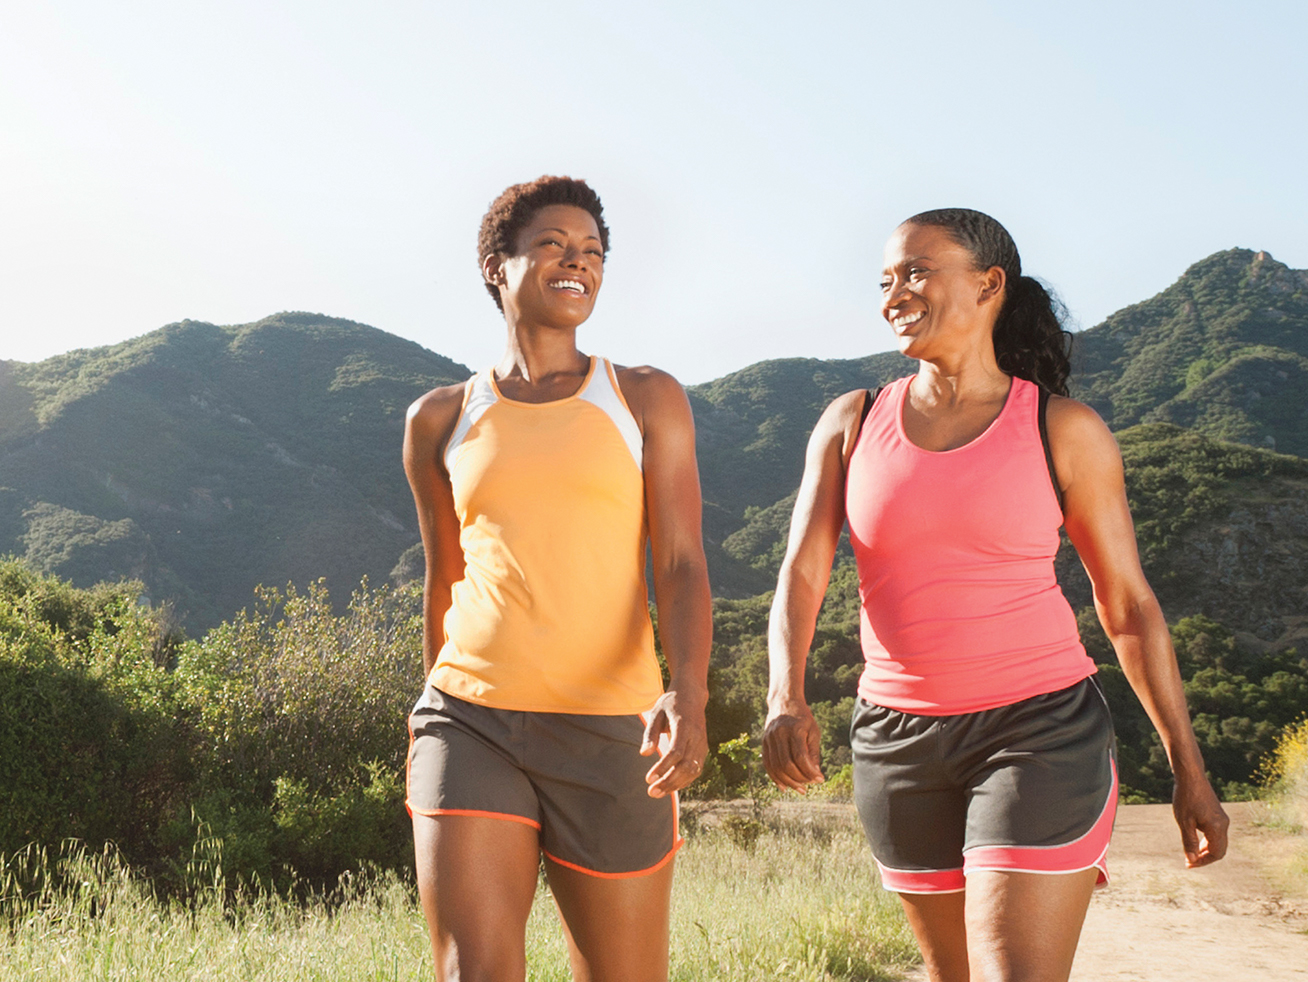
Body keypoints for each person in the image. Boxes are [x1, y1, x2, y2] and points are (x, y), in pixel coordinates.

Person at [762, 208, 1229, 982]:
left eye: (917, 271)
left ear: (989, 285)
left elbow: (1128, 607)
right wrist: (786, 692)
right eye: (885, 280)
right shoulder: (853, 421)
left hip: (1039, 729)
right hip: (895, 740)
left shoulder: (1062, 429)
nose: (895, 293)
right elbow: (801, 571)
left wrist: (1189, 765)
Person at [402, 175, 711, 982]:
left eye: (593, 252)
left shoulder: (644, 398)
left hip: (616, 728)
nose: (578, 264)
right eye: (553, 246)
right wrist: (426, 697)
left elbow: (679, 563)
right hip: (470, 718)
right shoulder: (439, 417)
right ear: (496, 267)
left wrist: (690, 693)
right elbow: (446, 578)